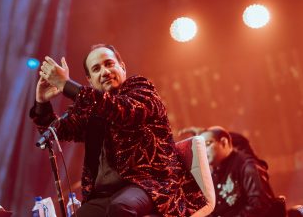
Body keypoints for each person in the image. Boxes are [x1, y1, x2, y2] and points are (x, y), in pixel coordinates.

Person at [30, 44, 207, 216]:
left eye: (109, 64)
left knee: (121, 207)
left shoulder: (141, 88)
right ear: (90, 81)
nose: (105, 72)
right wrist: (41, 102)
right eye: (97, 69)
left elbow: (123, 110)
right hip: (104, 195)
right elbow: (57, 131)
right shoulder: (91, 108)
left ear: (122, 67)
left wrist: (67, 85)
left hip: (151, 184)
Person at [200, 126, 275, 216]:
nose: (203, 151)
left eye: (208, 144)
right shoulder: (212, 175)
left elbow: (259, 205)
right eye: (201, 148)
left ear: (224, 142)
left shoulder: (247, 167)